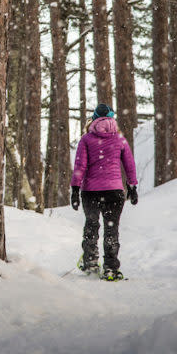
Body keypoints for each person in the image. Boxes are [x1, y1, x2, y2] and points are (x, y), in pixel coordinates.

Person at [69, 103, 138, 280]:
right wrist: (132, 186)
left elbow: (80, 166)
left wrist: (75, 190)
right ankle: (111, 268)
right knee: (111, 229)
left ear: (93, 119)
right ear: (111, 118)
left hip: (91, 191)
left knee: (91, 225)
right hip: (114, 191)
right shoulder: (120, 139)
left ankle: (91, 262)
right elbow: (129, 165)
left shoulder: (86, 139)